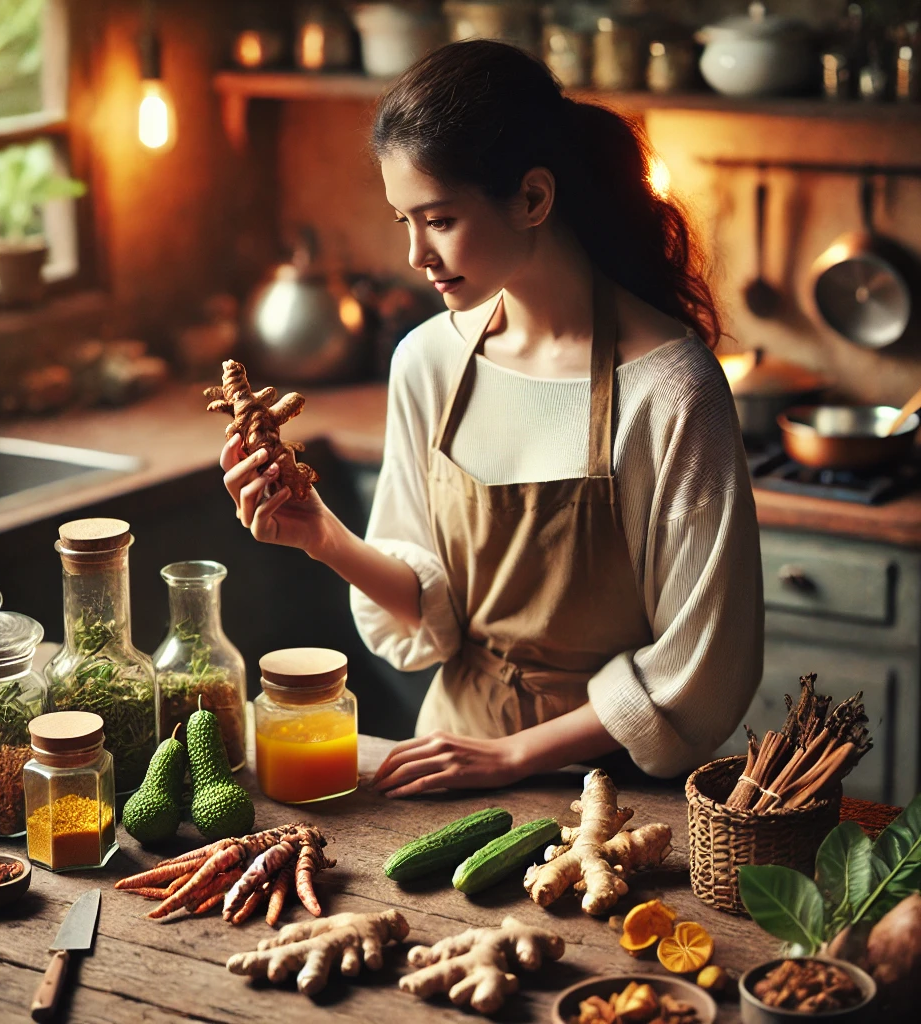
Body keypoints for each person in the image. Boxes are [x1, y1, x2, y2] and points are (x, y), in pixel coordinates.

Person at [220, 40, 763, 798]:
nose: (415, 254)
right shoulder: (428, 361)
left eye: (437, 219)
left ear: (534, 199)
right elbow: (432, 606)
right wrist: (322, 537)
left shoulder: (672, 389)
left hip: (615, 792)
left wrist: (514, 757)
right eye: (403, 220)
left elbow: (699, 667)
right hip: (450, 768)